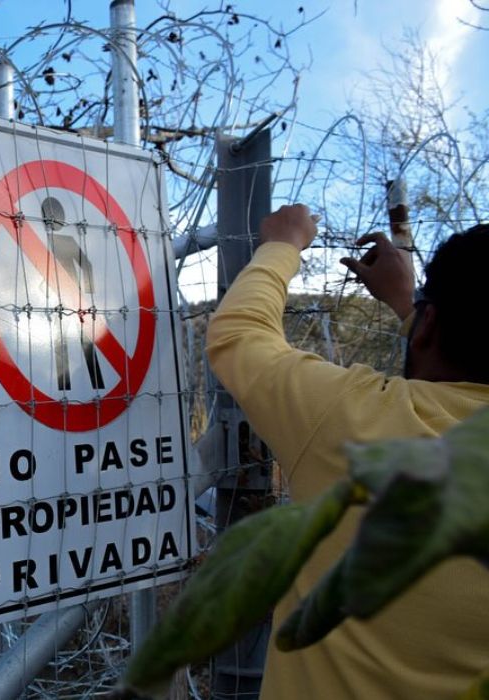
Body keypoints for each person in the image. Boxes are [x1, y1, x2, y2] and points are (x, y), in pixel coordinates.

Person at [205, 204, 489, 698]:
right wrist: (411, 309)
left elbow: (239, 334)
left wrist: (282, 244)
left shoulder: (356, 422)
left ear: (430, 327)